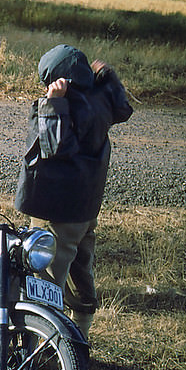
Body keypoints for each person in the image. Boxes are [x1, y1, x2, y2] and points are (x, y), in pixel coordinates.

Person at [14, 44, 133, 339]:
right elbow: (124, 108)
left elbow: (56, 149)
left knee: (45, 281)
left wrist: (53, 104)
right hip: (85, 209)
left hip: (58, 210)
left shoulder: (69, 106)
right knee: (81, 273)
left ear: (59, 79)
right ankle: (80, 335)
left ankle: (43, 347)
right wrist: (107, 76)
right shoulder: (100, 102)